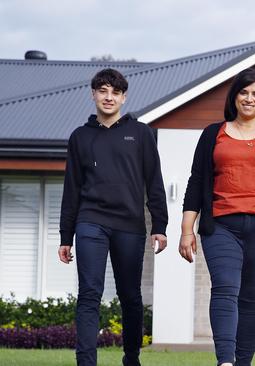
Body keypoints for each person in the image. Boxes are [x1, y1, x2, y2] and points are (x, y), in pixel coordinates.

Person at [178, 68, 255, 366]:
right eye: (244, 92)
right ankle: (225, 362)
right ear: (235, 96)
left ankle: (243, 362)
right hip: (220, 226)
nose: (249, 98)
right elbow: (196, 182)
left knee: (252, 297)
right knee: (225, 288)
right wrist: (186, 229)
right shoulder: (212, 134)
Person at [58, 68, 168, 366]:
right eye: (103, 91)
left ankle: (131, 358)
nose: (109, 97)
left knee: (130, 295)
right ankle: (86, 362)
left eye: (115, 93)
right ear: (93, 94)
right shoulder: (80, 137)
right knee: (89, 293)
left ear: (124, 97)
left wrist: (160, 225)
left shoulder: (141, 133)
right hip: (90, 221)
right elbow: (72, 189)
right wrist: (65, 236)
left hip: (129, 226)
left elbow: (154, 182)